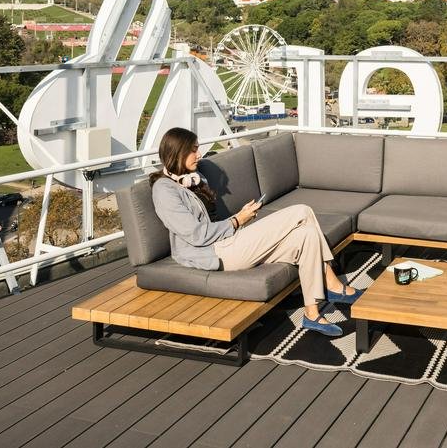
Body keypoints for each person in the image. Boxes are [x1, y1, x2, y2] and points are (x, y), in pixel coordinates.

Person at [150, 127, 363, 337]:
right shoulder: (164, 190)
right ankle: (333, 285)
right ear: (176, 152)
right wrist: (236, 220)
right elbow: (197, 235)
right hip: (214, 253)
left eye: (198, 149)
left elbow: (212, 222)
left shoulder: (195, 179)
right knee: (302, 211)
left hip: (228, 241)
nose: (198, 155)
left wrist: (239, 218)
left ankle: (311, 314)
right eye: (192, 150)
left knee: (306, 235)